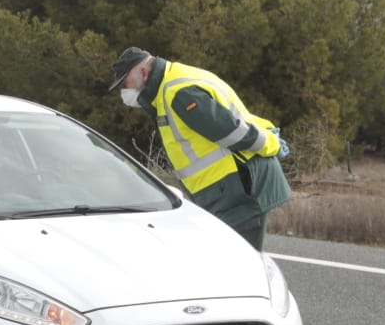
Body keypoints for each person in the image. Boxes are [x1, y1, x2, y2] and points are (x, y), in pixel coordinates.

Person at [109, 46, 290, 250]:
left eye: (125, 83)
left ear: (143, 72)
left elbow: (232, 131)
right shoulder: (169, 87)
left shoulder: (177, 93)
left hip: (240, 187)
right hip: (225, 192)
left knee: (240, 267)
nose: (124, 91)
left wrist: (271, 145)